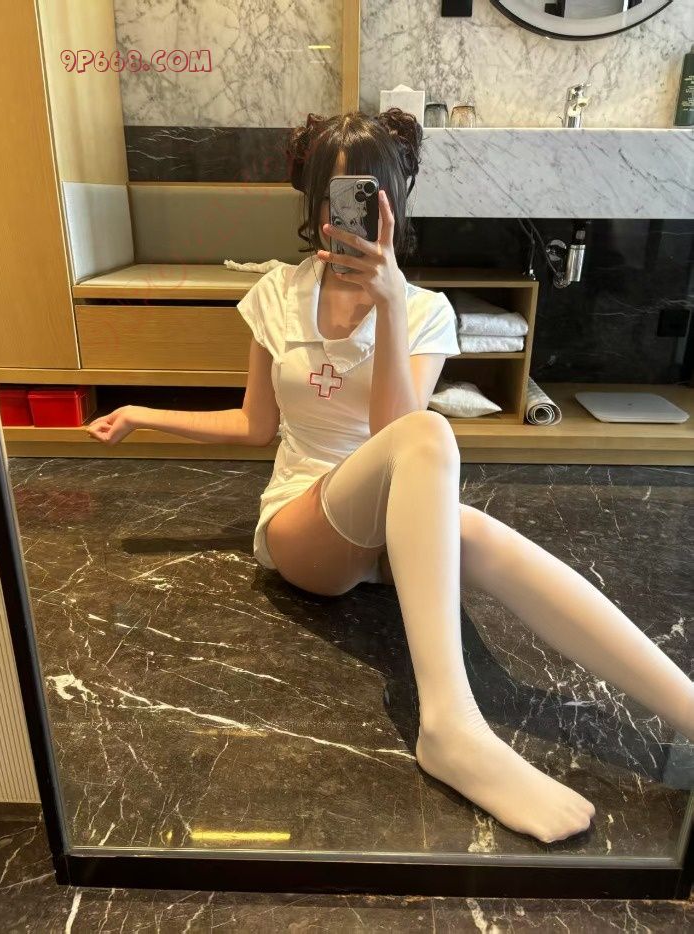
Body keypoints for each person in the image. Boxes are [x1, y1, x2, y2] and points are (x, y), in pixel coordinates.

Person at [86, 109, 694, 846]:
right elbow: (254, 425)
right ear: (314, 202)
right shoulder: (276, 293)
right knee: (430, 434)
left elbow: (390, 433)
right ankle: (450, 724)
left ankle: (688, 709)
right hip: (305, 527)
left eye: (368, 195)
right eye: (334, 195)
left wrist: (392, 304)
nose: (349, 215)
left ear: (394, 201)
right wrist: (143, 413)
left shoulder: (426, 311)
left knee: (474, 523)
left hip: (395, 522)